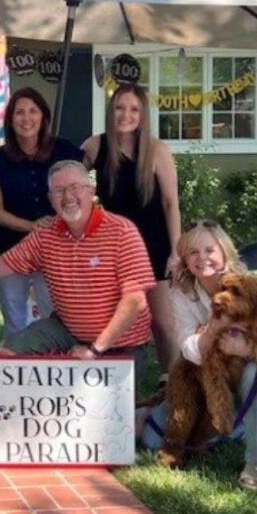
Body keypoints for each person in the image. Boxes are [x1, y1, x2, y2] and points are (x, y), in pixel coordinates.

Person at [0, 160, 155, 387]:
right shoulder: (46, 235)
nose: (67, 196)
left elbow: (135, 300)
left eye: (74, 187)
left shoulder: (121, 231)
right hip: (68, 330)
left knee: (104, 415)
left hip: (120, 344)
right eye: (59, 191)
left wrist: (95, 349)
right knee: (9, 354)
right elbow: (4, 263)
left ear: (91, 191)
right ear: (51, 199)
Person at [138, 221, 257, 490]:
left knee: (254, 373)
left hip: (248, 373)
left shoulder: (250, 285)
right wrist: (214, 328)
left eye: (209, 250)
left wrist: (243, 350)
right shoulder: (182, 293)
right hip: (206, 377)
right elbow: (188, 348)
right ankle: (231, 429)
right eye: (193, 252)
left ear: (224, 251)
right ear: (185, 259)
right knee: (152, 440)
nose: (202, 258)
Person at [83, 84, 181, 384]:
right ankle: (115, 381)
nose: (126, 114)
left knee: (163, 324)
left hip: (154, 245)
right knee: (115, 320)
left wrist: (176, 252)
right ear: (110, 112)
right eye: (120, 108)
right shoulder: (95, 147)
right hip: (113, 250)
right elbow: (68, 178)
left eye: (134, 109)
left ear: (143, 115)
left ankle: (174, 384)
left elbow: (170, 203)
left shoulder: (156, 150)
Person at [0, 88, 84, 339]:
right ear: (10, 120)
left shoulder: (65, 151)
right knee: (15, 320)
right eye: (19, 112)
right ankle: (16, 370)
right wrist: (33, 226)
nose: (26, 118)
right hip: (10, 248)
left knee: (56, 313)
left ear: (43, 116)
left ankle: (55, 365)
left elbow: (80, 193)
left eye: (32, 111)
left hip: (55, 247)